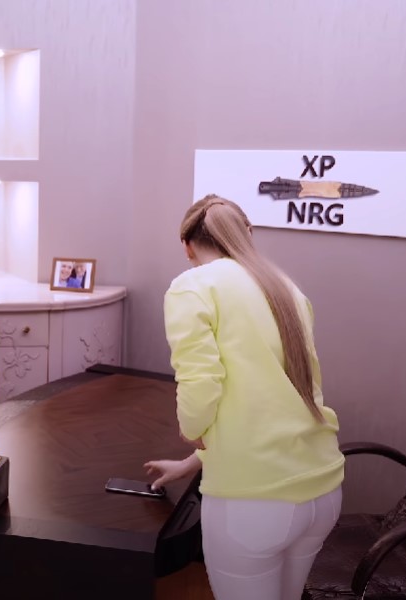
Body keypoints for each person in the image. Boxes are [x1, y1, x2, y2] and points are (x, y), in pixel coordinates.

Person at [143, 194, 344, 600]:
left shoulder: (193, 286)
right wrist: (192, 462)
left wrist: (192, 430)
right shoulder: (285, 287)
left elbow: (201, 382)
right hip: (322, 490)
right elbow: (283, 400)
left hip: (253, 505)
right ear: (246, 235)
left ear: (187, 246)